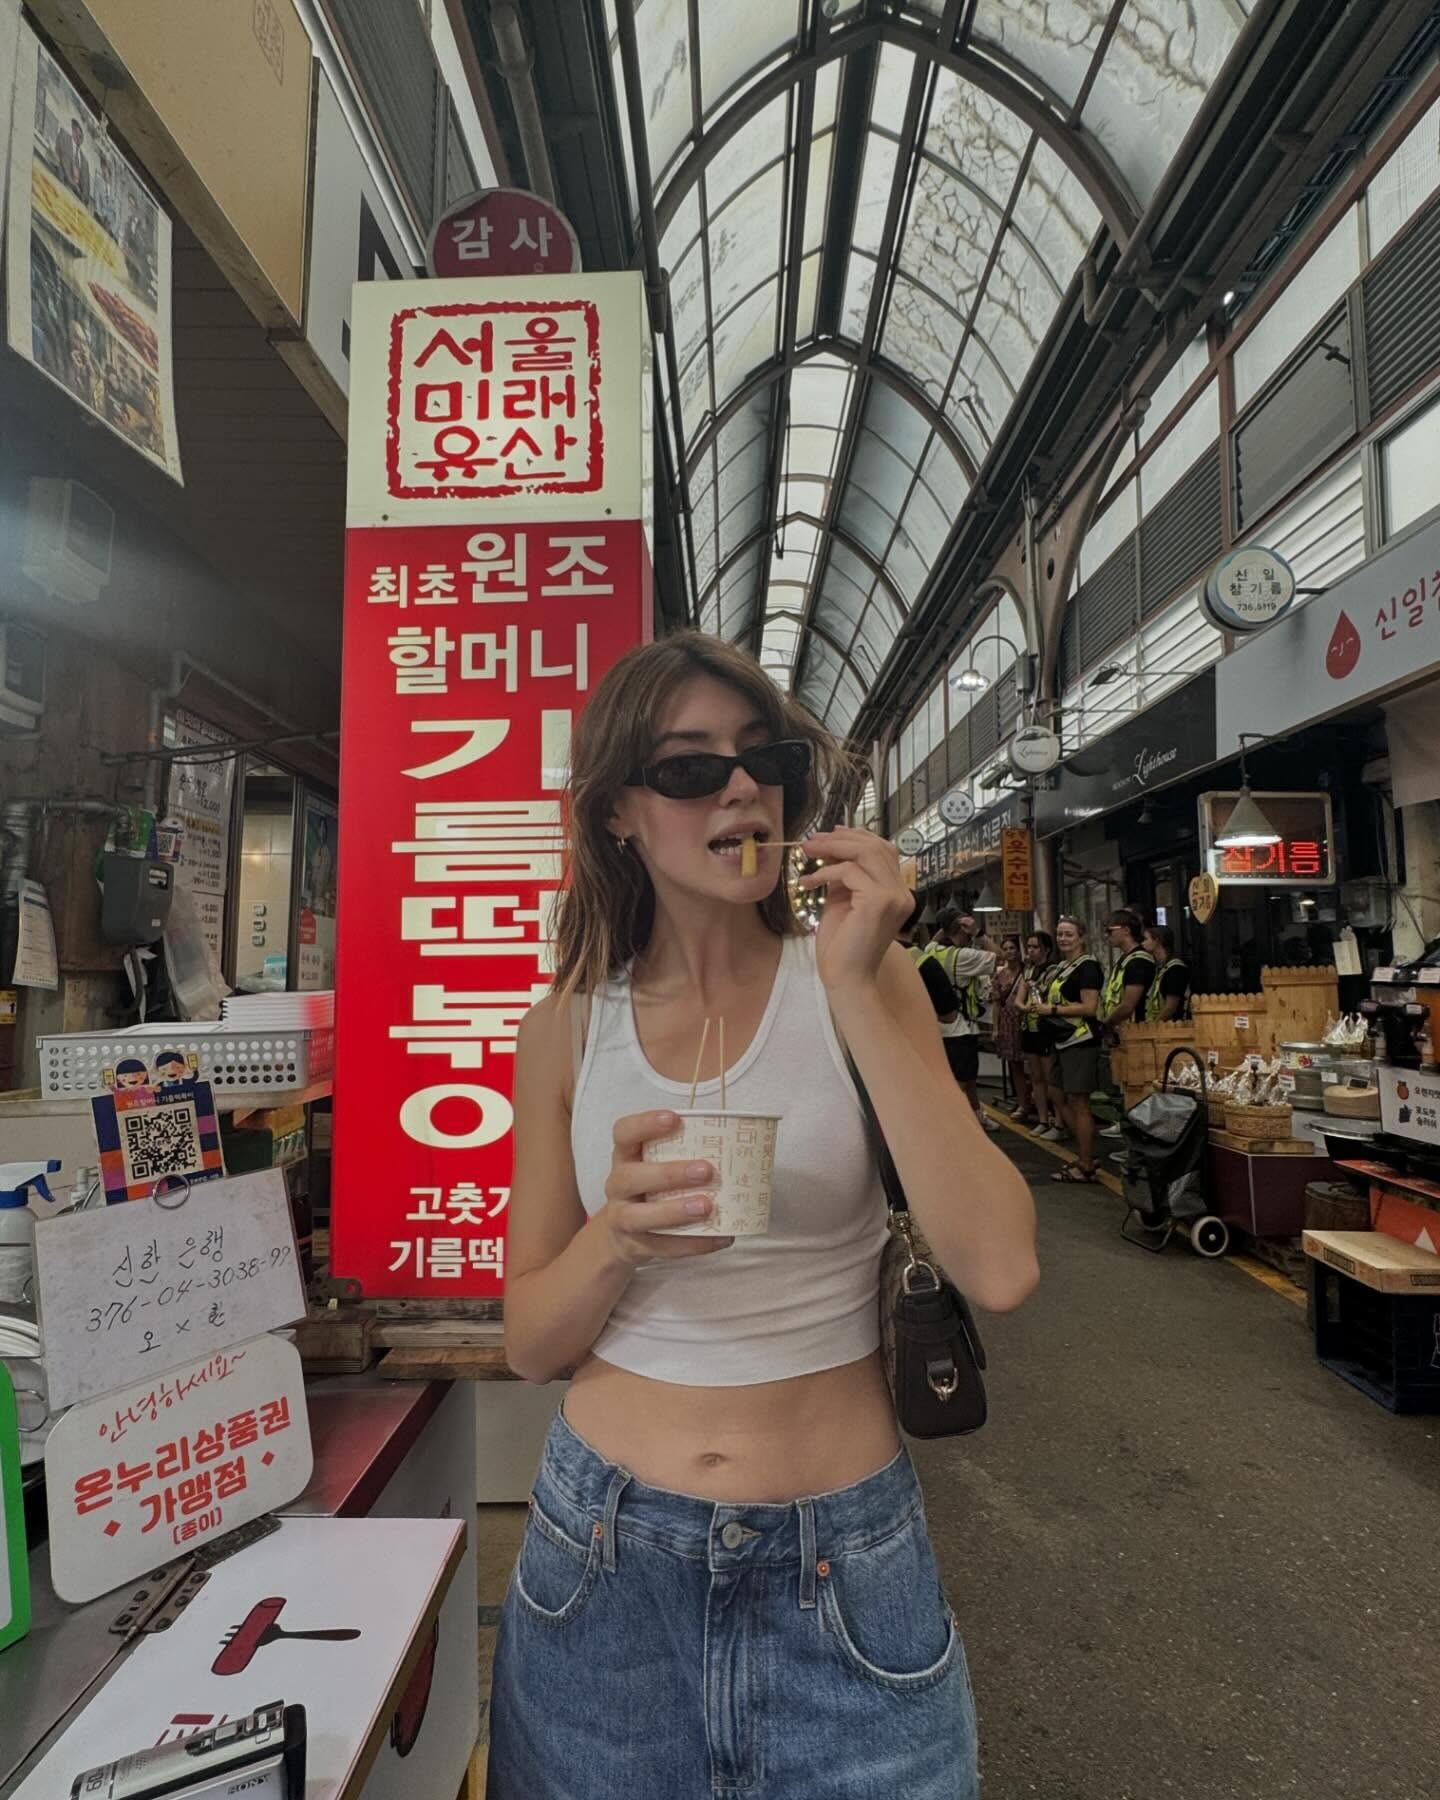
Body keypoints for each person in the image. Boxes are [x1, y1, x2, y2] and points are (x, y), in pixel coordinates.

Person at [490, 631, 1039, 1799]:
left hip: (840, 1557)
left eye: (767, 759)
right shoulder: (568, 1026)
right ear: (619, 812)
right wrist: (615, 1238)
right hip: (602, 1558)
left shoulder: (863, 979)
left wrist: (853, 983)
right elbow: (531, 1341)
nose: (741, 789)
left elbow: (999, 1266)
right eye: (690, 768)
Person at [1034, 916, 1103, 1183]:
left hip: (1080, 1040)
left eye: (1069, 934)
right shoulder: (1064, 966)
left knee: (1079, 1100)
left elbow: (1090, 1007)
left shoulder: (1088, 967)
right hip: (1061, 1039)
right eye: (1060, 934)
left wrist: (1051, 1010)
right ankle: (1086, 1154)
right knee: (1057, 1094)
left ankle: (1085, 1163)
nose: (1063, 939)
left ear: (1081, 937)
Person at [932, 911, 1000, 1127]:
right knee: (961, 1081)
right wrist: (978, 932)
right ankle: (953, 1126)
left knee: (969, 1079)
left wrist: (948, 924)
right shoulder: (963, 956)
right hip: (961, 1029)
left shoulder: (932, 950)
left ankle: (977, 1117)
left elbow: (934, 939)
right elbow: (999, 956)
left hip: (940, 1027)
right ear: (962, 928)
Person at [1016, 930, 1058, 1137]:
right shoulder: (1028, 971)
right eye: (1029, 947)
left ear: (1046, 950)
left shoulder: (1054, 970)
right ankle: (1042, 1119)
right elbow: (1019, 999)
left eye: (1035, 947)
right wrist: (1024, 1007)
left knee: (1051, 1078)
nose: (1031, 951)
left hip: (1047, 1028)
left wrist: (1036, 991)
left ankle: (1058, 1119)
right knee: (1036, 1076)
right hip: (1030, 1028)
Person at [991, 935, 1030, 1119]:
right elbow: (996, 1004)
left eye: (1012, 948)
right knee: (1015, 1065)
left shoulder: (1028, 972)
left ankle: (1040, 1103)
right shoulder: (1000, 975)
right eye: (1005, 949)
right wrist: (995, 1028)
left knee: (1036, 1066)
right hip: (1007, 1023)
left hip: (1026, 1021)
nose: (1009, 952)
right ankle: (1023, 1104)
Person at [1143, 924, 1191, 1021]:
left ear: (1157, 940)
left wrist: (1153, 1026)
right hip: (1159, 1025)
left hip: (1174, 1027)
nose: (1142, 943)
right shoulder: (1159, 968)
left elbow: (1170, 1008)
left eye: (1145, 939)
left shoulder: (1176, 969)